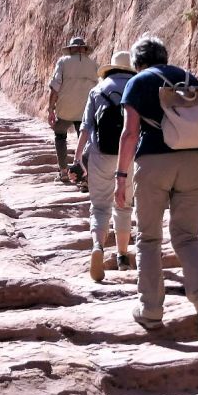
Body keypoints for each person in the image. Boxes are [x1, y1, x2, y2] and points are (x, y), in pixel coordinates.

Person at [115, 33, 198, 338]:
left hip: (154, 162)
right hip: (195, 162)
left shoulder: (138, 82)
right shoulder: (191, 79)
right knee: (187, 237)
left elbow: (130, 133)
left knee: (149, 238)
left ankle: (150, 310)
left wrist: (121, 177)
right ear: (165, 57)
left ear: (137, 63)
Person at [74, 49, 137, 281]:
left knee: (100, 207)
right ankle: (122, 257)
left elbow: (86, 126)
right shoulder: (136, 87)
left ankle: (97, 248)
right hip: (129, 156)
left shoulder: (97, 90)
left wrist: (77, 158)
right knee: (124, 206)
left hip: (100, 155)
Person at [47, 35, 98, 184]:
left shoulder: (63, 62)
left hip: (65, 108)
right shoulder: (93, 64)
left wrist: (50, 109)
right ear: (84, 49)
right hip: (85, 110)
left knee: (60, 136)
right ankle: (85, 177)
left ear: (71, 49)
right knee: (85, 142)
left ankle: (63, 172)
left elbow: (55, 87)